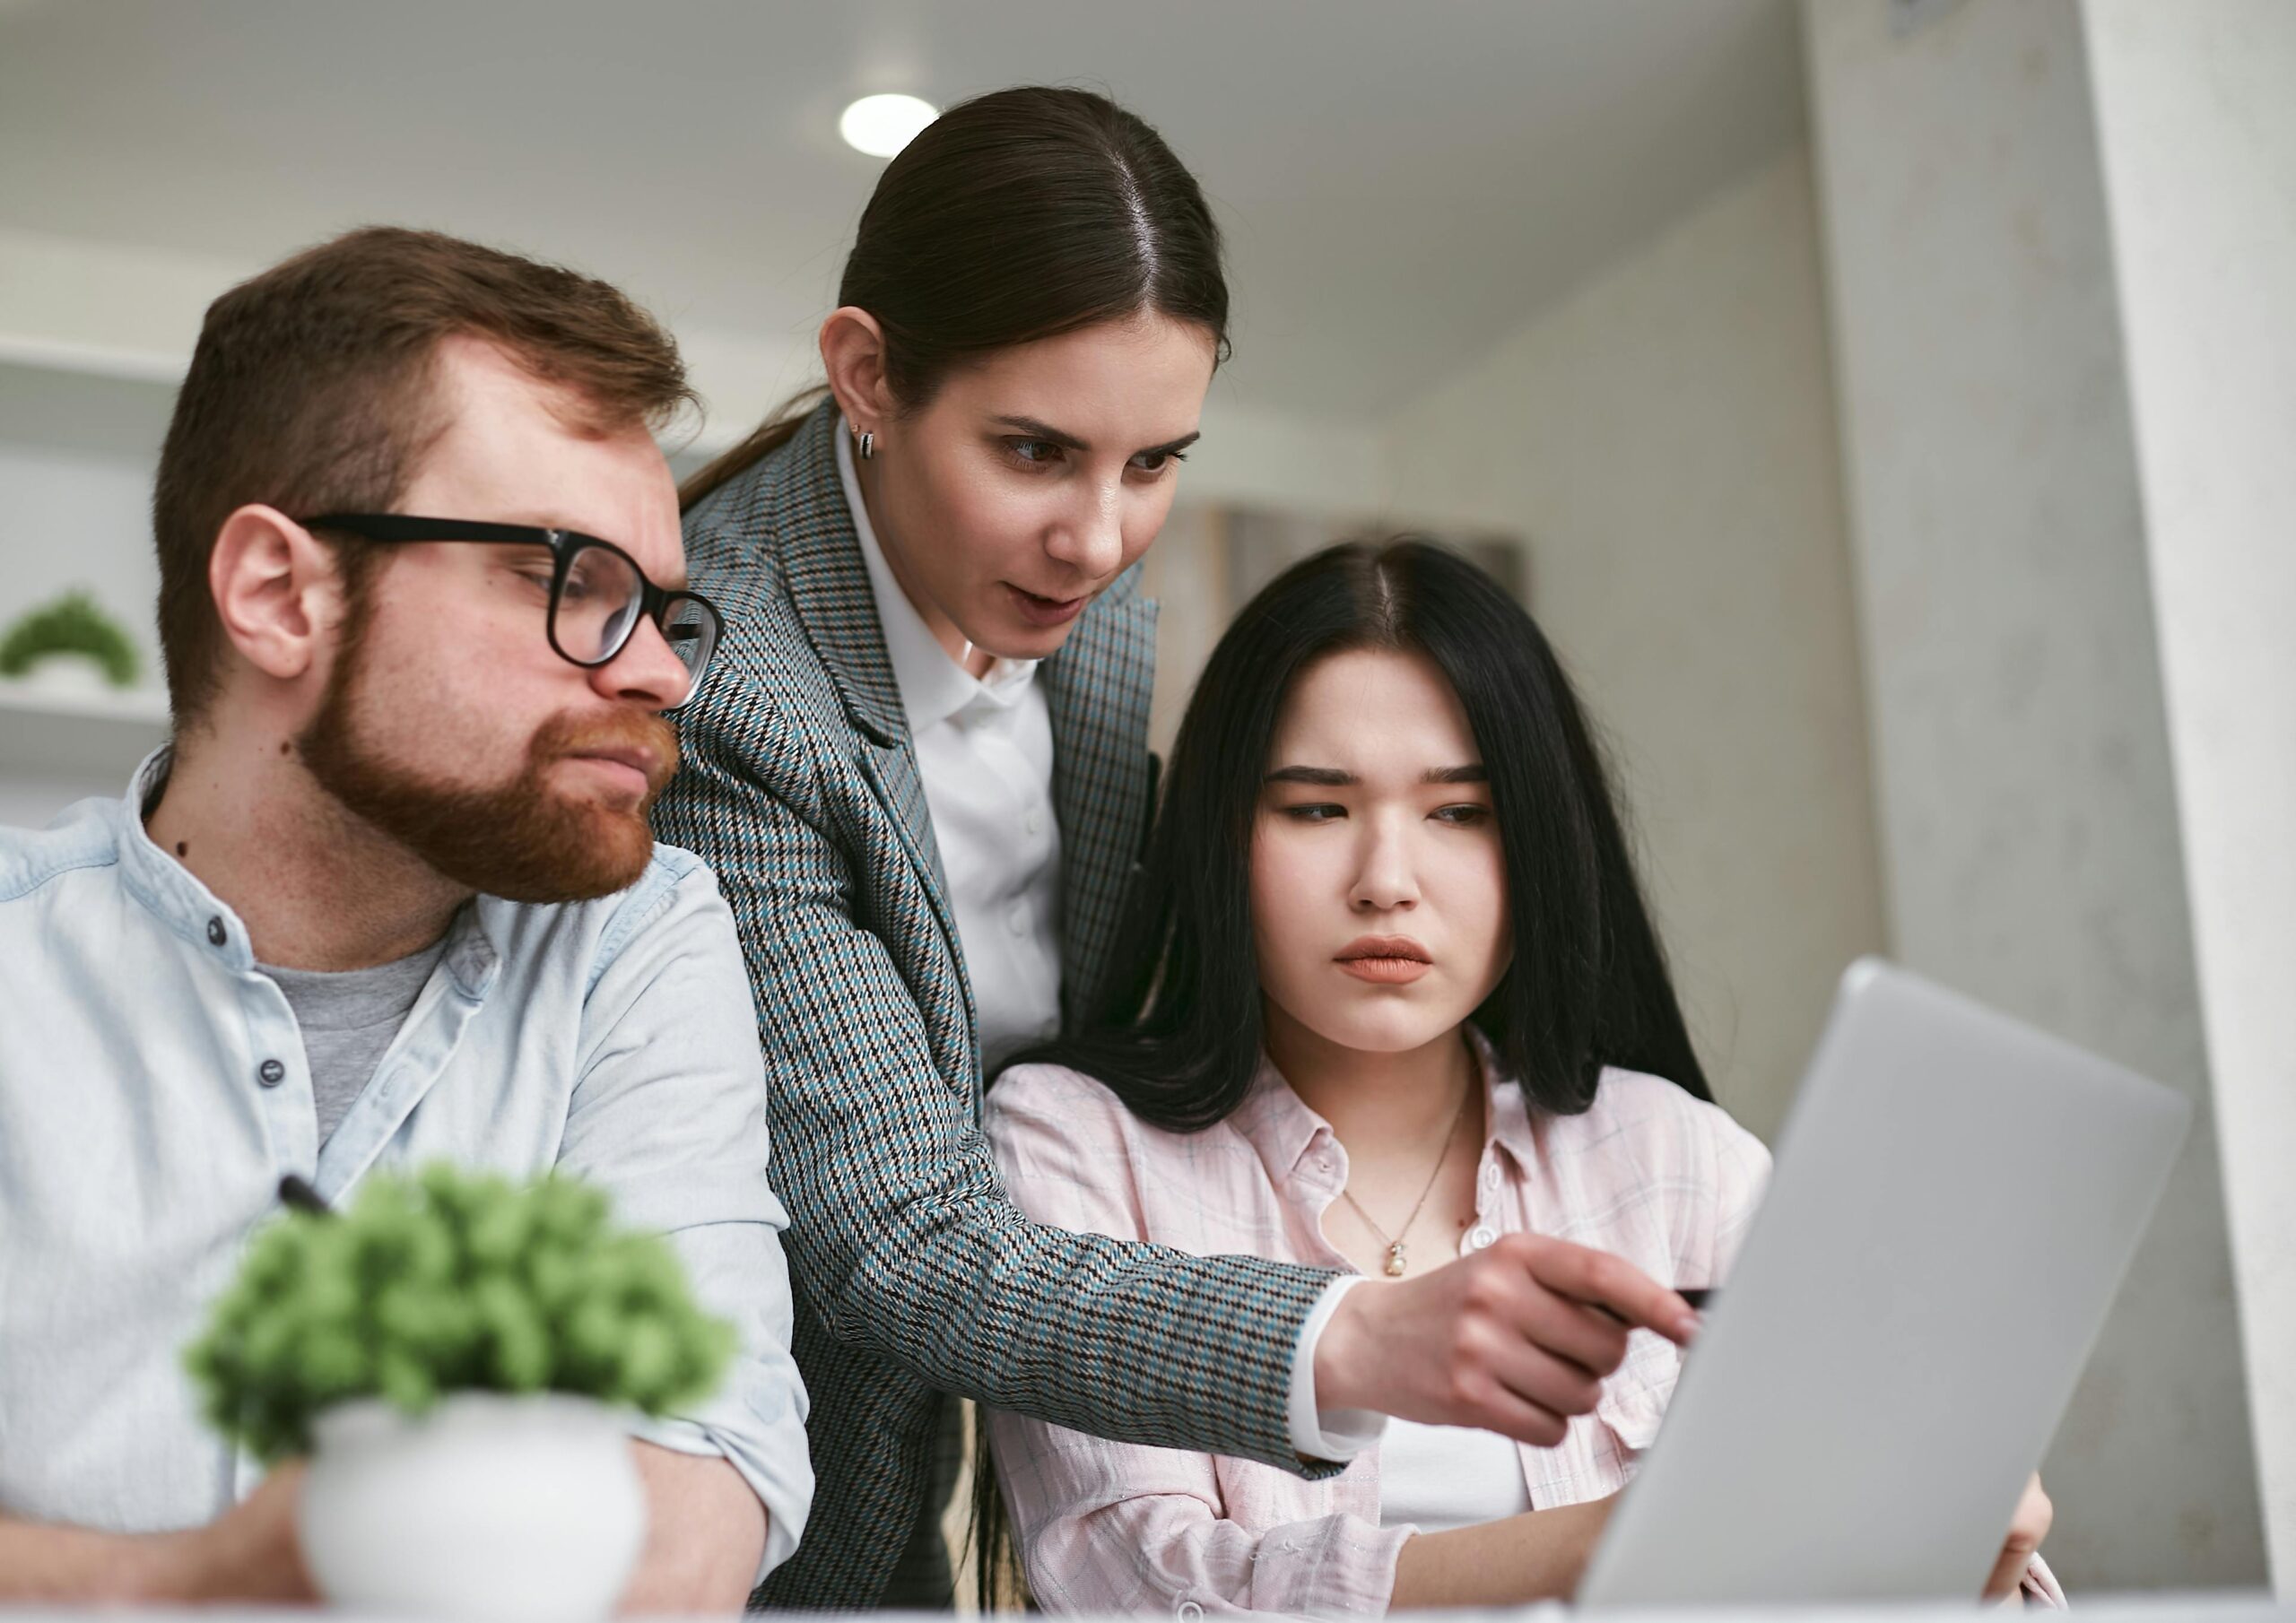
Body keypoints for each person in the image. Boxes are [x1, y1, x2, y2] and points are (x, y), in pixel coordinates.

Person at [657, 87, 1700, 1609]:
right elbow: (896, 1237)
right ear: (867, 375)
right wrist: (1350, 1335)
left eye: (1155, 464)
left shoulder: (1079, 627)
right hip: (765, 1483)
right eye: (1035, 453)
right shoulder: (729, 685)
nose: (1099, 537)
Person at [982, 539, 2062, 1613]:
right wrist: (1601, 1549)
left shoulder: (1673, 1158)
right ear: (1223, 835)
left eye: (1460, 813)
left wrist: (1973, 1564)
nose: (1386, 882)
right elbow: (1122, 1581)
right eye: (1316, 807)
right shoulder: (1077, 1144)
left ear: (1537, 842)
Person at [0, 227, 811, 1607]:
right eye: (574, 582)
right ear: (278, 593)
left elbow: (697, 1483)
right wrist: (202, 1579)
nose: (668, 676)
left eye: (666, 609)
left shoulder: (641, 940)